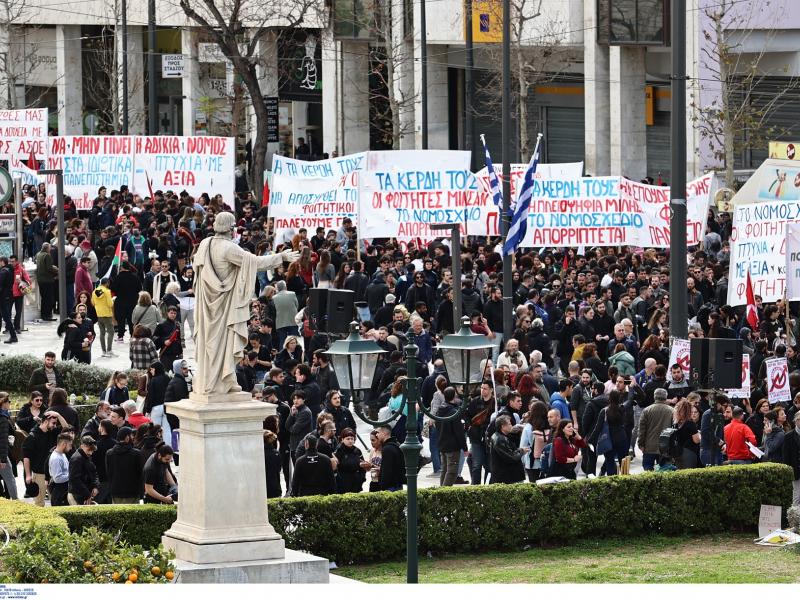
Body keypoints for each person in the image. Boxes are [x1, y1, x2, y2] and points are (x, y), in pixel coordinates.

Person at [637, 388, 674, 471]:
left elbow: (642, 430)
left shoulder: (646, 410)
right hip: (665, 447)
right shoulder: (671, 411)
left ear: (654, 397)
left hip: (649, 447)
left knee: (648, 469)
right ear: (666, 397)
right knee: (664, 471)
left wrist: (641, 444)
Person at [105, 426, 145, 504]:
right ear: (127, 437)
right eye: (131, 435)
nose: (133, 437)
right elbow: (140, 474)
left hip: (115, 491)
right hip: (132, 492)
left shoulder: (109, 453)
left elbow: (109, 473)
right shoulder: (136, 453)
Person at [437, 387, 467, 486]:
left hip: (443, 443)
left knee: (444, 470)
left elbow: (437, 426)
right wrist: (465, 447)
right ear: (454, 396)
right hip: (452, 446)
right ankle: (444, 494)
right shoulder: (454, 412)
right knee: (452, 471)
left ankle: (441, 491)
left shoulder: (440, 410)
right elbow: (459, 432)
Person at [490, 415, 529, 484]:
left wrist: (520, 450)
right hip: (507, 478)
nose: (511, 426)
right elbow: (511, 457)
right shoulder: (500, 439)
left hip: (508, 476)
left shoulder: (502, 436)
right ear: (503, 426)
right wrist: (522, 451)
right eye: (509, 424)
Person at [520, 401, 549, 481]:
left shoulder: (528, 427)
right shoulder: (549, 426)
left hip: (532, 463)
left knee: (535, 488)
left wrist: (523, 461)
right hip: (547, 461)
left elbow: (523, 445)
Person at [68, 436, 100, 505]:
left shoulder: (86, 457)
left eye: (92, 450)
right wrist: (87, 494)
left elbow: (94, 473)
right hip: (77, 495)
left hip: (84, 494)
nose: (91, 453)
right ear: (82, 446)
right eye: (89, 450)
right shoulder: (76, 459)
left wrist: (95, 486)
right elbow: (74, 480)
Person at [334, 428, 368, 493]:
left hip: (356, 484)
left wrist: (361, 479)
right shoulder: (339, 451)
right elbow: (335, 468)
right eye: (348, 439)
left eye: (352, 439)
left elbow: (363, 466)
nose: (350, 441)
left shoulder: (357, 451)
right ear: (342, 439)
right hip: (343, 485)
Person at [672, 399, 701, 469]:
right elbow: (696, 440)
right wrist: (700, 435)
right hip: (689, 453)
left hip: (678, 452)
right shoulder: (690, 424)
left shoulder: (676, 423)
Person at [285, 390, 313, 462]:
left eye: (298, 398)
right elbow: (286, 426)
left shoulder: (305, 412)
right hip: (294, 445)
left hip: (302, 447)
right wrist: (292, 415)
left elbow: (294, 430)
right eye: (294, 399)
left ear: (303, 399)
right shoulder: (295, 409)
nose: (295, 400)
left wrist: (290, 428)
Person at [91, 277, 116, 357]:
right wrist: (113, 299)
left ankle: (103, 351)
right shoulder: (107, 291)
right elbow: (110, 304)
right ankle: (109, 350)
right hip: (107, 314)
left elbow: (93, 303)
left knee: (102, 333)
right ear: (107, 283)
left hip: (99, 314)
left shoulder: (94, 291)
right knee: (111, 332)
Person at [374, 425, 405, 491]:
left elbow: (387, 470)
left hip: (391, 487)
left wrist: (382, 487)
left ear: (384, 433)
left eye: (378, 432)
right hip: (397, 485)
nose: (376, 435)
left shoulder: (387, 449)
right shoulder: (396, 444)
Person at [47, 432, 73, 506]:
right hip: (59, 494)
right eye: (70, 445)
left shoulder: (62, 454)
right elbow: (57, 478)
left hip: (63, 492)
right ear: (63, 444)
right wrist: (72, 476)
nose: (71, 448)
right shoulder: (56, 458)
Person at [153, 305, 182, 371]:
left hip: (175, 353)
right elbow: (154, 338)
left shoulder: (177, 325)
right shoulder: (161, 325)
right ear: (167, 313)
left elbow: (179, 339)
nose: (173, 315)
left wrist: (180, 352)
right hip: (166, 354)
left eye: (175, 313)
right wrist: (164, 341)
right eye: (171, 313)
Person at [0, 394, 18, 498]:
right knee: (10, 480)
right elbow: (2, 440)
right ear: (4, 404)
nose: (10, 404)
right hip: (2, 455)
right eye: (9, 402)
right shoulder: (3, 418)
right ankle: (16, 502)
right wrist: (2, 459)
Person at [35, 242, 58, 321]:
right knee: (49, 299)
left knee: (44, 298)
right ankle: (47, 315)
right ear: (47, 248)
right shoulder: (47, 255)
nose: (50, 249)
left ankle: (43, 314)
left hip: (40, 280)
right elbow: (49, 268)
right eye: (50, 248)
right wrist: (56, 269)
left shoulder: (38, 254)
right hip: (47, 280)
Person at [782, 412, 800, 505]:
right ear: (796, 421)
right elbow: (786, 456)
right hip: (796, 471)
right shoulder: (788, 436)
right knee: (797, 497)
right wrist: (789, 471)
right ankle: (795, 519)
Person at [0, 257, 18, 343]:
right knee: (5, 317)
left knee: (6, 317)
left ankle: (13, 336)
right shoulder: (9, 270)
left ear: (2, 262)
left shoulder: (4, 271)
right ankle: (13, 336)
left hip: (3, 297)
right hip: (7, 296)